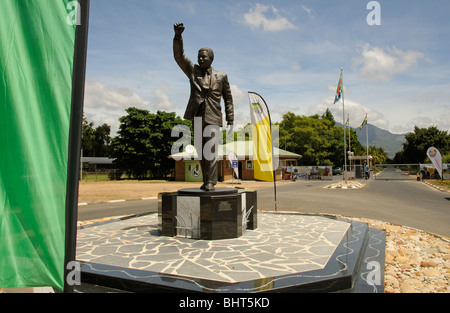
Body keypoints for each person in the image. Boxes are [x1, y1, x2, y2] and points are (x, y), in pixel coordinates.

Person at [173, 22, 234, 191]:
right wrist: (178, 36)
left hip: (213, 117)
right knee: (201, 150)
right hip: (197, 117)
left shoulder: (221, 76)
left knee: (211, 150)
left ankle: (210, 182)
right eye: (199, 56)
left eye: (203, 57)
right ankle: (208, 179)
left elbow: (228, 98)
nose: (200, 59)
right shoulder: (193, 71)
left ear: (211, 59)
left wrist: (230, 118)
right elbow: (179, 57)